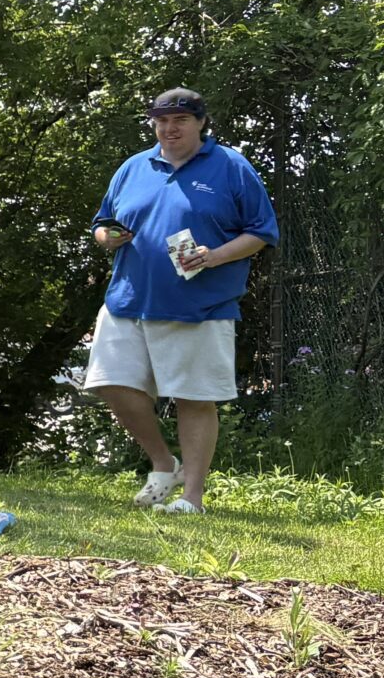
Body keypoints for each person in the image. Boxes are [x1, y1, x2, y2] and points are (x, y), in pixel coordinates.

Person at [86, 87, 278, 514]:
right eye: (161, 121)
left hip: (201, 307)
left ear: (201, 123)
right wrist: (108, 237)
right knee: (108, 383)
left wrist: (214, 256)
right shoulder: (134, 167)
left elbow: (261, 232)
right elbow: (102, 225)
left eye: (180, 121)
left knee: (194, 398)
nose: (169, 129)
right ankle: (162, 462)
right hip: (127, 300)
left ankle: (192, 497)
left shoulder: (231, 166)